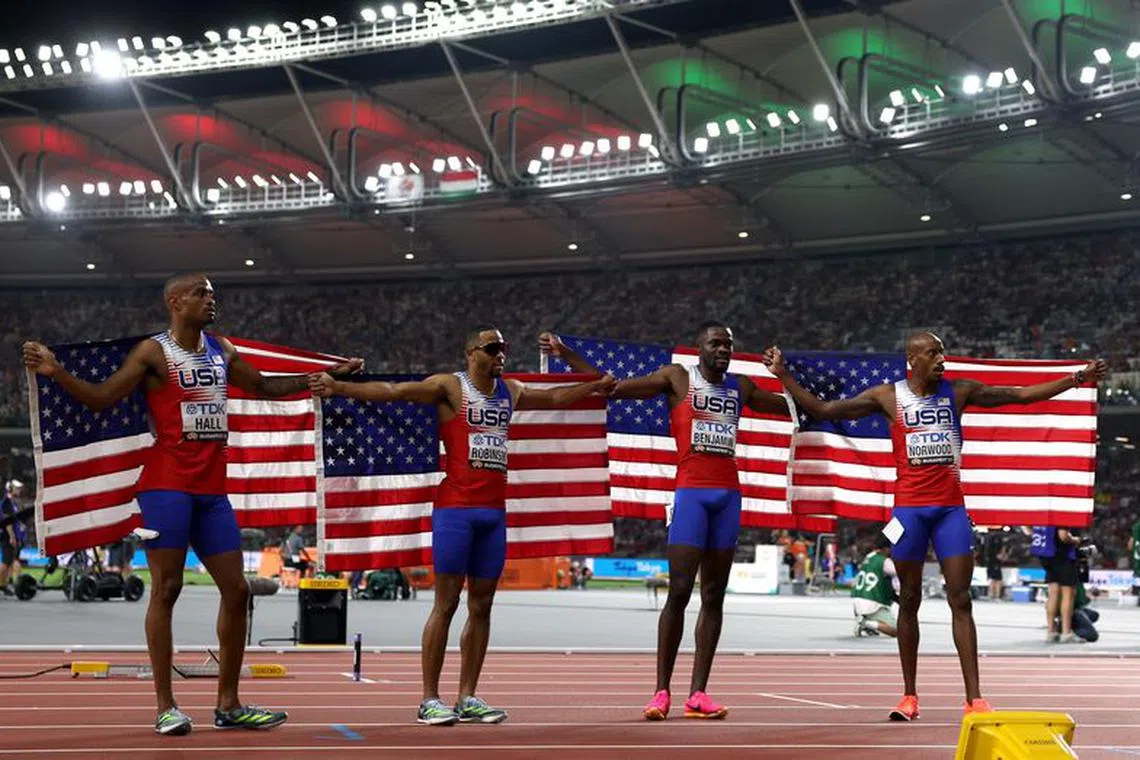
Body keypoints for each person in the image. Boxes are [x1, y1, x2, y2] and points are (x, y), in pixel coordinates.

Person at [23, 273, 363, 736]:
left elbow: (263, 387)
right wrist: (56, 372)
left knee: (238, 591)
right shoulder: (153, 351)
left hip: (211, 491)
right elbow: (103, 399)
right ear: (175, 301)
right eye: (201, 294)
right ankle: (166, 706)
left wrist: (318, 379)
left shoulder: (220, 348)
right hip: (166, 486)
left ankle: (228, 704)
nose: (211, 300)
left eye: (213, 294)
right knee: (166, 590)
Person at [763, 333, 1105, 720]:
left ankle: (974, 698)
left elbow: (1021, 396)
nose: (942, 358)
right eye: (933, 352)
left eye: (942, 351)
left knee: (962, 599)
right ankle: (909, 696)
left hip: (950, 512)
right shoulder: (887, 397)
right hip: (910, 512)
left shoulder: (958, 391)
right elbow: (825, 410)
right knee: (908, 600)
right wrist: (783, 375)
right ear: (913, 359)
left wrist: (1076, 379)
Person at [309, 326, 614, 727]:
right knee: (446, 603)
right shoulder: (451, 387)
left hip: (493, 515)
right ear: (472, 352)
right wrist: (341, 388)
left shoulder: (512, 390)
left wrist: (590, 385)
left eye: (504, 347)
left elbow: (556, 396)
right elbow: (395, 393)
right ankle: (429, 698)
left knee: (482, 606)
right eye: (492, 348)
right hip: (455, 511)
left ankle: (468, 695)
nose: (501, 354)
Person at [541, 323, 789, 721]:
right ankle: (661, 691)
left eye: (728, 343)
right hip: (691, 494)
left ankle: (699, 693)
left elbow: (793, 408)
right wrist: (567, 354)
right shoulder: (677, 378)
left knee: (714, 596)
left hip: (728, 496)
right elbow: (614, 386)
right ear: (699, 349)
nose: (723, 349)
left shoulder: (741, 387)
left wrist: (786, 375)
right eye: (715, 343)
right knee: (678, 592)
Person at [1031, 525, 1082, 643]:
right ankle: (1066, 632)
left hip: (1047, 555)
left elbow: (1028, 529)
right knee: (1068, 593)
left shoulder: (1045, 513)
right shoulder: (1061, 513)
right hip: (1063, 556)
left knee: (1053, 592)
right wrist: (1076, 540)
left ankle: (1051, 631)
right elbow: (1063, 536)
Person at [852, 532, 899, 638]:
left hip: (857, 600)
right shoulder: (885, 562)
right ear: (885, 549)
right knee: (897, 630)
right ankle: (865, 623)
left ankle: (866, 623)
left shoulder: (867, 558)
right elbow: (901, 573)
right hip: (872, 602)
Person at [0, 479, 27, 595]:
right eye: (17, 488)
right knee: (6, 562)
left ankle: (3, 584)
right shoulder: (6, 503)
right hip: (7, 537)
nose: (19, 490)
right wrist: (12, 537)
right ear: (10, 489)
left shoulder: (14, 503)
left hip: (13, 536)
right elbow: (8, 522)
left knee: (10, 562)